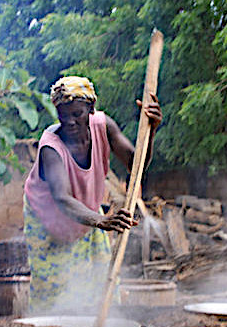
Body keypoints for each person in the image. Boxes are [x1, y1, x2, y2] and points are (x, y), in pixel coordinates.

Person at [23, 76, 162, 312]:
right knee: (54, 292)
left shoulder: (103, 125)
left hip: (87, 213)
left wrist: (151, 131)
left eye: (76, 113)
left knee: (101, 282)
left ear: (91, 109)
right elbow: (62, 199)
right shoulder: (50, 147)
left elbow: (135, 164)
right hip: (50, 221)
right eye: (62, 114)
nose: (69, 121)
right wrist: (101, 220)